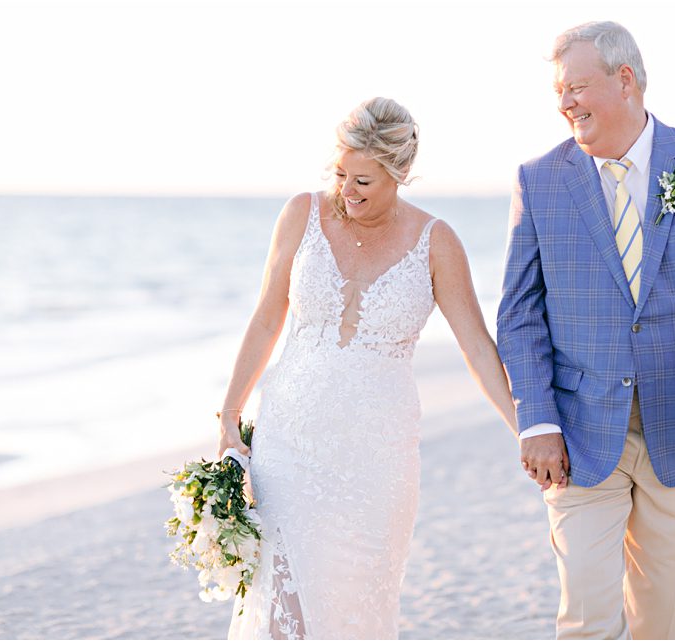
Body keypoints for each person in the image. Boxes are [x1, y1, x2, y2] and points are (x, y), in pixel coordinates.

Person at [496, 22, 675, 640]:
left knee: (665, 622)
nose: (565, 102)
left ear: (625, 81)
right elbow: (519, 312)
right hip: (579, 436)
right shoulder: (539, 180)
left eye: (576, 87)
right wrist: (536, 420)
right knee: (587, 617)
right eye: (559, 91)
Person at [217, 97, 517, 639]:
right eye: (340, 175)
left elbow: (476, 345)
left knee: (358, 607)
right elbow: (266, 318)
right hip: (290, 443)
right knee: (282, 606)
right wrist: (230, 414)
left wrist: (524, 427)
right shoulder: (301, 214)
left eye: (363, 181)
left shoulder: (436, 242)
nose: (347, 192)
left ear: (398, 174)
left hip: (378, 458)